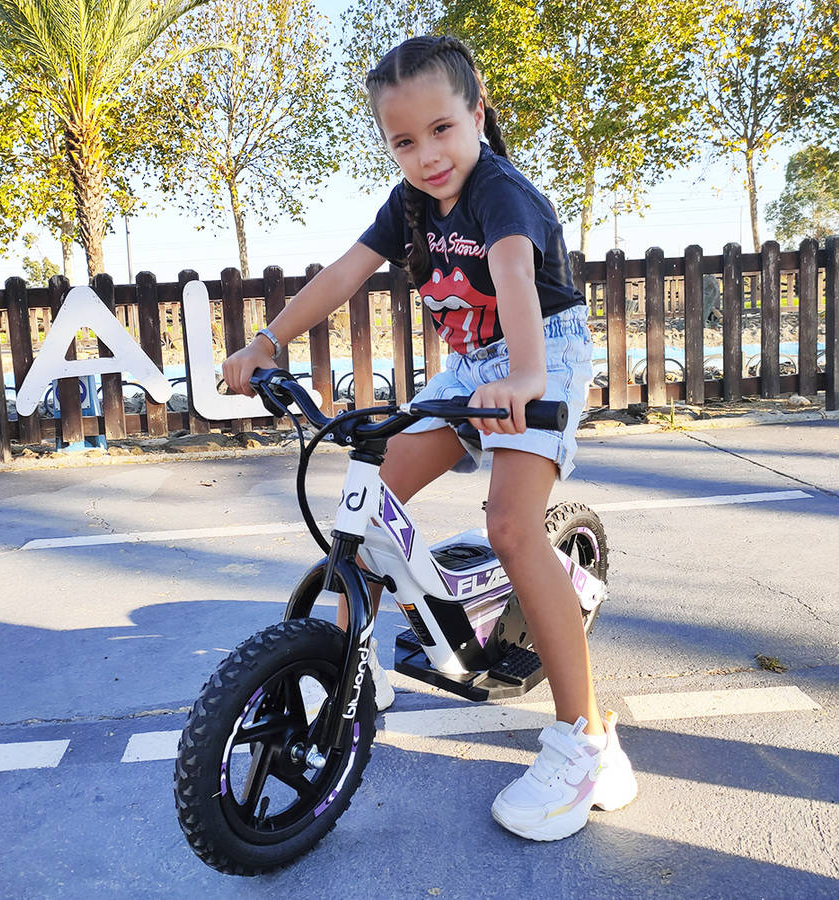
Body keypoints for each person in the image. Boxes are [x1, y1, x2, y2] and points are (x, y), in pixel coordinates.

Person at [222, 35, 637, 842]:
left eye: (442, 129)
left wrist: (521, 377)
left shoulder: (501, 193)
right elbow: (344, 272)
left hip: (540, 347)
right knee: (372, 497)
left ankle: (585, 742)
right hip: (471, 363)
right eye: (403, 141)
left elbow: (514, 275)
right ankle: (348, 674)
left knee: (512, 527)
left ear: (477, 112)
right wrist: (266, 342)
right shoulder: (409, 203)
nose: (427, 155)